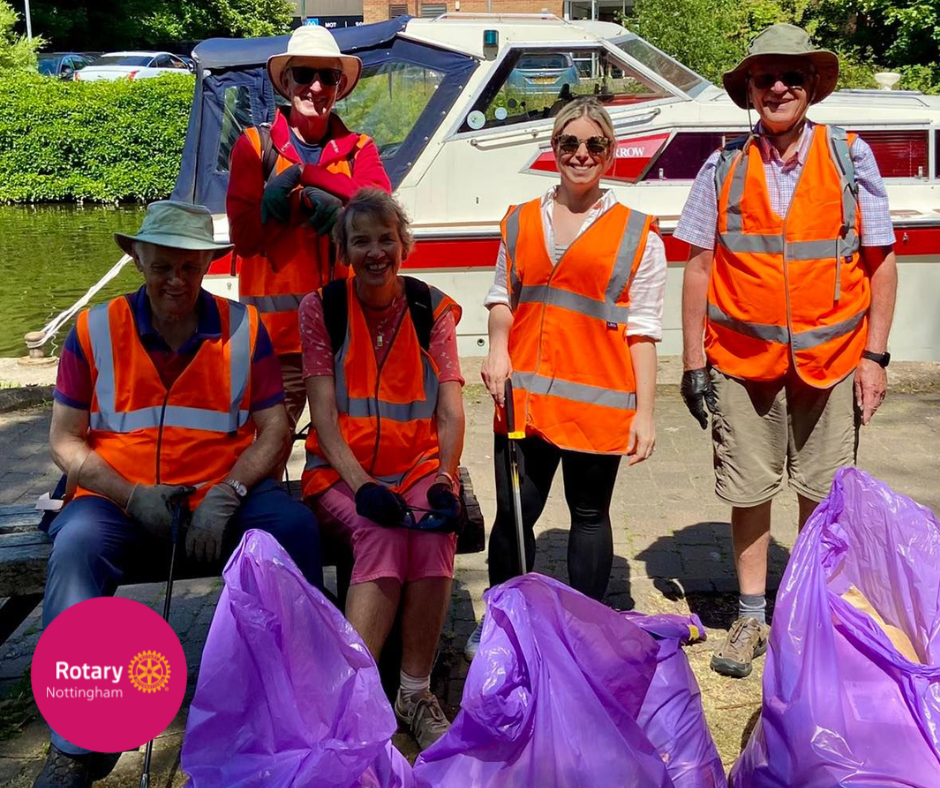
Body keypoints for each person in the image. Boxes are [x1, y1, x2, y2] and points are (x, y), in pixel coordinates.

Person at [35, 201, 323, 788]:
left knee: (293, 531)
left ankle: (294, 710)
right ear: (137, 259)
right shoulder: (93, 329)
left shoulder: (246, 327)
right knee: (76, 549)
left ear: (206, 265)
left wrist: (229, 493)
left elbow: (274, 428)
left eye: (189, 268)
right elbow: (65, 442)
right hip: (120, 494)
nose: (176, 281)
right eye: (163, 265)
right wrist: (132, 493)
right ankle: (77, 740)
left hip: (225, 489)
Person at [675, 24, 898, 679]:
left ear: (812, 88)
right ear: (749, 89)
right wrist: (693, 365)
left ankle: (809, 616)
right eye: (766, 76)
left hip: (832, 363)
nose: (778, 86)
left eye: (792, 76)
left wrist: (875, 357)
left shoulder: (851, 157)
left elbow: (881, 266)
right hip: (743, 367)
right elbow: (697, 268)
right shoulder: (721, 167)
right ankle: (750, 617)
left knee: (822, 495)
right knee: (748, 491)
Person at [466, 96, 666, 659]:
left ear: (610, 154)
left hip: (596, 402)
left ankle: (585, 633)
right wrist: (497, 349)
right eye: (569, 144)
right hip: (522, 397)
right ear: (553, 149)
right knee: (515, 512)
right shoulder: (521, 219)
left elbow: (644, 330)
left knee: (588, 514)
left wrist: (645, 414)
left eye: (594, 145)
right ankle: (503, 623)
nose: (581, 154)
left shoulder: (638, 234)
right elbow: (503, 298)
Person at [300, 189, 465, 751]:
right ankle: (357, 698)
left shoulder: (431, 310)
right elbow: (321, 414)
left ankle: (414, 693)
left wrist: (445, 477)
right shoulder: (320, 308)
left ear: (404, 244)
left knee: (437, 532)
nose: (376, 251)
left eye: (386, 239)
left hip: (416, 464)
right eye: (361, 240)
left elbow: (449, 408)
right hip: (338, 472)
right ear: (344, 249)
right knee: (382, 531)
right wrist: (362, 483)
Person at [227, 25, 391, 432]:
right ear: (285, 82)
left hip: (347, 337)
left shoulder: (360, 148)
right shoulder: (253, 146)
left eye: (328, 76)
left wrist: (307, 176)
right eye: (304, 74)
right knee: (266, 448)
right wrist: (300, 202)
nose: (315, 86)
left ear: (340, 86)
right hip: (276, 344)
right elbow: (244, 240)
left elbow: (383, 213)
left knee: (352, 446)